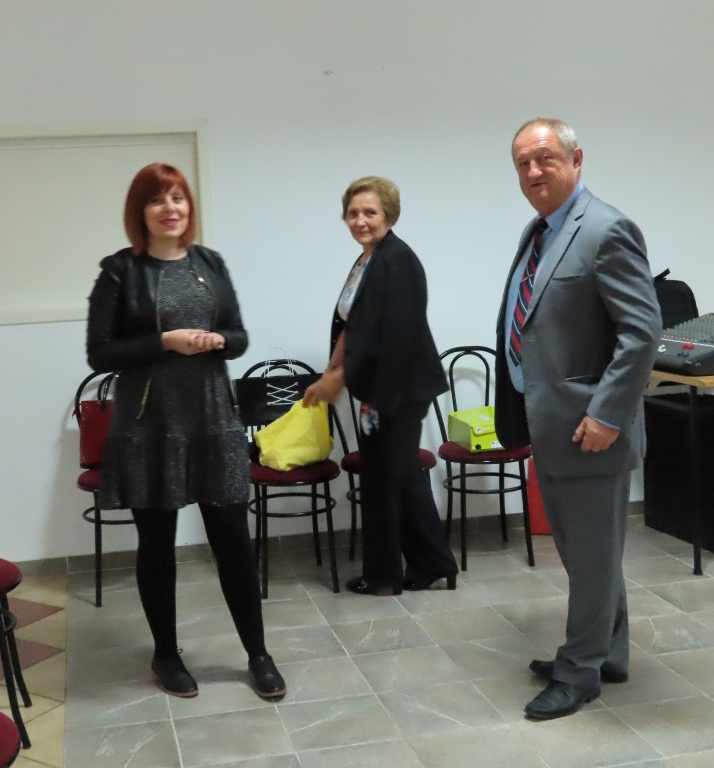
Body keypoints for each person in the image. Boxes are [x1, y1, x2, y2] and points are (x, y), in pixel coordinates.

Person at [85, 162, 285, 701]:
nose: (170, 208)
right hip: (148, 425)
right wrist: (165, 342)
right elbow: (99, 353)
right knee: (157, 544)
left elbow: (239, 336)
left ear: (189, 206)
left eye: (178, 197)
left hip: (213, 418)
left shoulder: (210, 263)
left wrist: (218, 342)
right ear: (140, 211)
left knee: (233, 541)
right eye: (157, 199)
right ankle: (166, 654)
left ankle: (258, 654)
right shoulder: (119, 272)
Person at [494, 119, 661, 720]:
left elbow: (641, 333)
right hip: (551, 423)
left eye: (544, 158)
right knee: (591, 554)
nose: (533, 171)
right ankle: (608, 653)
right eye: (522, 163)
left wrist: (607, 414)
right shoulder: (540, 231)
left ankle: (578, 672)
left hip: (591, 431)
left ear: (576, 158)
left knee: (589, 559)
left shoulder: (606, 229)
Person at [303, 176, 458, 596]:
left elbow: (398, 334)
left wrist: (349, 383)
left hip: (398, 390)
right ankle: (434, 563)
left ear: (388, 214)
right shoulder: (367, 260)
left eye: (369, 212)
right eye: (353, 213)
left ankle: (384, 576)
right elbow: (353, 324)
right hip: (381, 388)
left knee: (384, 481)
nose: (360, 220)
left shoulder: (397, 259)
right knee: (400, 477)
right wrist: (333, 370)